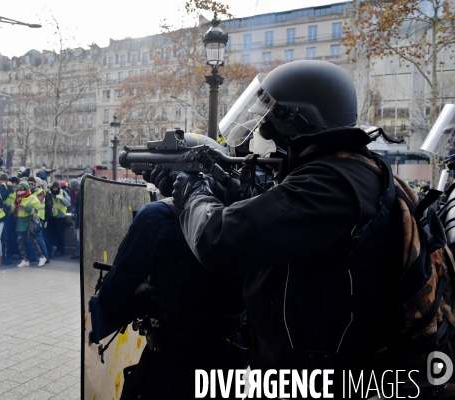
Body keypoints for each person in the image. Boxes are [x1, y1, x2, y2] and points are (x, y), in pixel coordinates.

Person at [174, 61, 409, 389]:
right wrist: (216, 183)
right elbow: (268, 213)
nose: (265, 132)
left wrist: (191, 192)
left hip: (313, 381)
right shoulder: (346, 171)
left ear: (298, 121)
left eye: (271, 120)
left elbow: (219, 238)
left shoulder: (332, 184)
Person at [92, 197, 247, 399]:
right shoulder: (250, 207)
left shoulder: (157, 215)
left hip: (170, 368)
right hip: (231, 360)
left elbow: (114, 302)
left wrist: (145, 292)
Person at [14, 181, 46, 267]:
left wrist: (26, 208)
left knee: (32, 240)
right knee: (20, 241)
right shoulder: (19, 199)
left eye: (21, 189)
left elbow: (35, 211)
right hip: (20, 221)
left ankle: (41, 257)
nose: (19, 191)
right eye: (18, 189)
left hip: (29, 221)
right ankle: (25, 259)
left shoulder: (33, 198)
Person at [45, 181, 70, 257]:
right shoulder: (48, 193)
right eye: (53, 188)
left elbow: (68, 203)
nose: (55, 189)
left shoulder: (63, 193)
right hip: (51, 216)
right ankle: (50, 250)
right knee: (50, 235)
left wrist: (61, 198)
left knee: (59, 234)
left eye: (56, 188)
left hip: (60, 217)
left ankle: (60, 250)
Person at [69, 179, 81, 259]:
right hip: (78, 216)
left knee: (77, 236)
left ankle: (78, 252)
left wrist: (74, 211)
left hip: (79, 217)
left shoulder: (80, 193)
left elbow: (76, 204)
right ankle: (79, 252)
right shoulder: (81, 191)